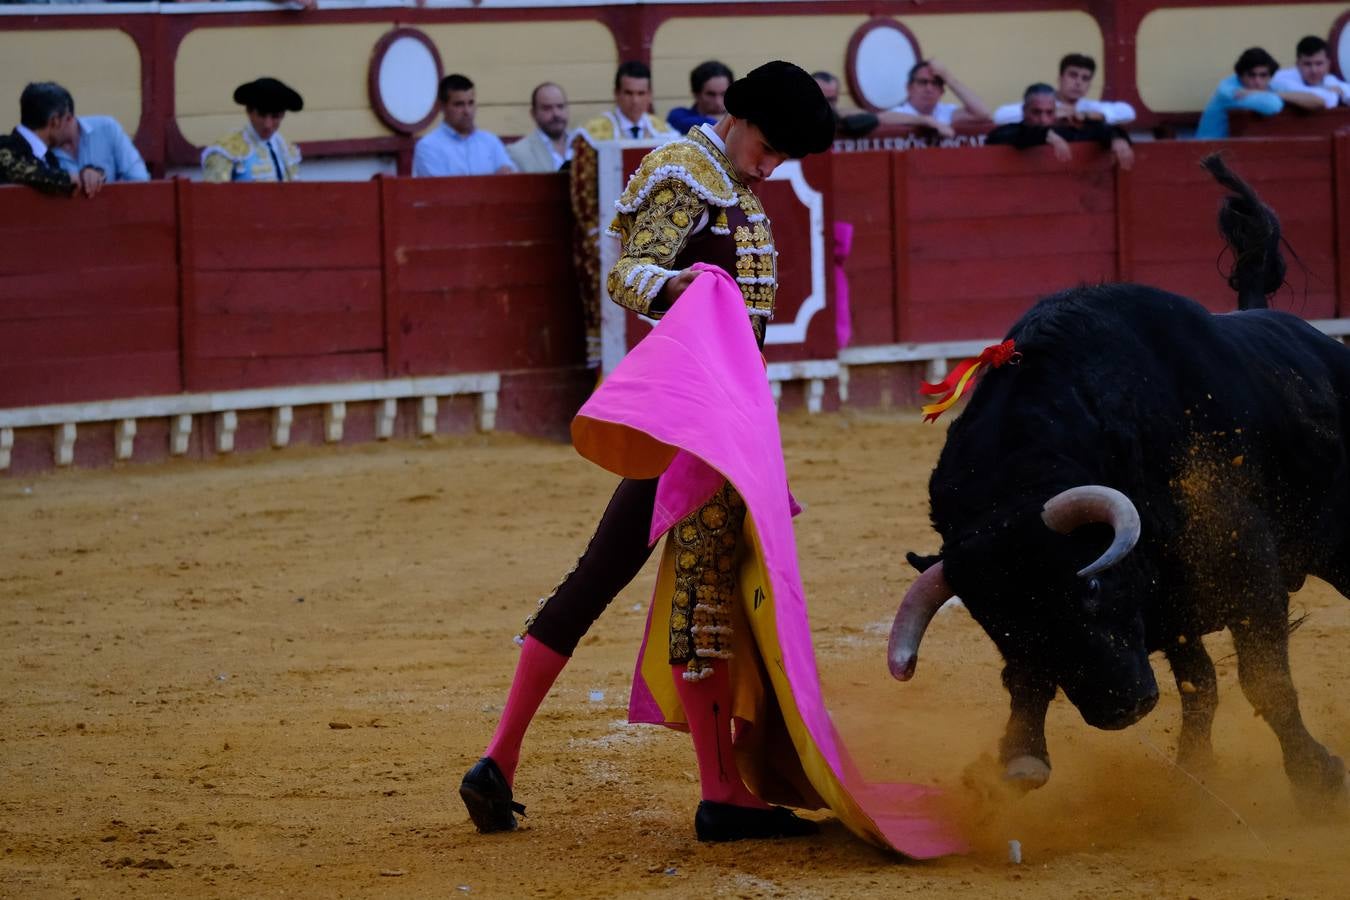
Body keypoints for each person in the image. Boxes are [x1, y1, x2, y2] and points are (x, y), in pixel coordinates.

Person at [460, 61, 841, 844]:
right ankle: (720, 795)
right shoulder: (685, 172)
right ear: (735, 117)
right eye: (767, 147)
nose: (770, 165)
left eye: (782, 158)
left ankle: (499, 760)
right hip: (697, 427)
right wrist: (679, 286)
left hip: (724, 422)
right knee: (700, 593)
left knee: (608, 575)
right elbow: (627, 275)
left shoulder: (736, 185)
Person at [570, 61, 677, 368]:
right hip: (607, 241)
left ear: (650, 95)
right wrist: (595, 239)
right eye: (628, 92)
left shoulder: (666, 134)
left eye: (641, 93)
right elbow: (582, 194)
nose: (634, 100)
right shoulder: (592, 134)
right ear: (617, 94)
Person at [987, 82, 1134, 169]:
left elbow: (1100, 130)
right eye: (1036, 112)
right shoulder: (1012, 131)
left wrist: (1116, 138)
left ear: (1056, 112)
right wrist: (1045, 135)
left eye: (1049, 113)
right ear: (1024, 111)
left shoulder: (1064, 130)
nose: (1044, 119)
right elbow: (997, 137)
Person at [1195, 47, 1328, 139]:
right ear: (1240, 76)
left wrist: (1278, 94)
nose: (1257, 81)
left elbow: (1318, 101)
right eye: (1251, 75)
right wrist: (1276, 95)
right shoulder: (1228, 90)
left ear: (1270, 76)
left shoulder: (1269, 87)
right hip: (1207, 157)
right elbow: (1273, 106)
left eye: (1263, 75)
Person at [1, 82, 104, 198]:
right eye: (68, 118)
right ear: (55, 121)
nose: (72, 124)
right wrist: (69, 178)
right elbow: (25, 172)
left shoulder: (49, 157)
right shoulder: (4, 148)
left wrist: (90, 174)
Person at [201, 77, 302, 182]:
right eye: (262, 115)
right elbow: (214, 196)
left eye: (275, 116)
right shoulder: (226, 150)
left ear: (283, 115)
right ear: (249, 112)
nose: (268, 124)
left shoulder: (285, 148)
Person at [413, 74, 516, 177]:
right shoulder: (428, 146)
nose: (467, 111)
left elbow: (509, 180)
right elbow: (442, 190)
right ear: (441, 106)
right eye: (459, 104)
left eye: (471, 103)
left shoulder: (490, 142)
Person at [992, 53, 1136, 126]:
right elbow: (1000, 115)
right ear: (1060, 78)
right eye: (1073, 75)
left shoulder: (1088, 107)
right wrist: (1051, 114)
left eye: (1085, 78)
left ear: (1089, 85)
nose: (1079, 82)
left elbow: (1128, 111)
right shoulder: (1042, 101)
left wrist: (1085, 116)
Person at [883, 59, 989, 137]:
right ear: (909, 88)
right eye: (922, 82)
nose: (929, 88)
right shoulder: (900, 113)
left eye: (935, 83)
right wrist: (925, 121)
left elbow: (983, 113)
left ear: (941, 92)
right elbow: (880, 118)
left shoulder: (946, 112)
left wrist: (948, 78)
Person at [53, 112, 149, 183]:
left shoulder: (107, 128)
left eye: (53, 124)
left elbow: (140, 179)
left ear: (68, 118)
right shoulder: (41, 146)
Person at [507, 82, 571, 173]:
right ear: (533, 113)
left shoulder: (587, 145)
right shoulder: (518, 153)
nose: (556, 114)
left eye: (560, 106)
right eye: (547, 108)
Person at [1271, 36, 1349, 108]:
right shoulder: (1282, 77)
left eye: (1319, 64)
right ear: (1297, 64)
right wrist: (1331, 93)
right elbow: (1324, 100)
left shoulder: (1329, 79)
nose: (1314, 70)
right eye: (1307, 64)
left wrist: (1342, 92)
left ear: (1328, 64)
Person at [666, 60, 733, 133]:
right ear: (696, 94)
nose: (718, 102)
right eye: (711, 94)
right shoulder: (679, 116)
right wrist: (725, 122)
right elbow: (676, 120)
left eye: (724, 94)